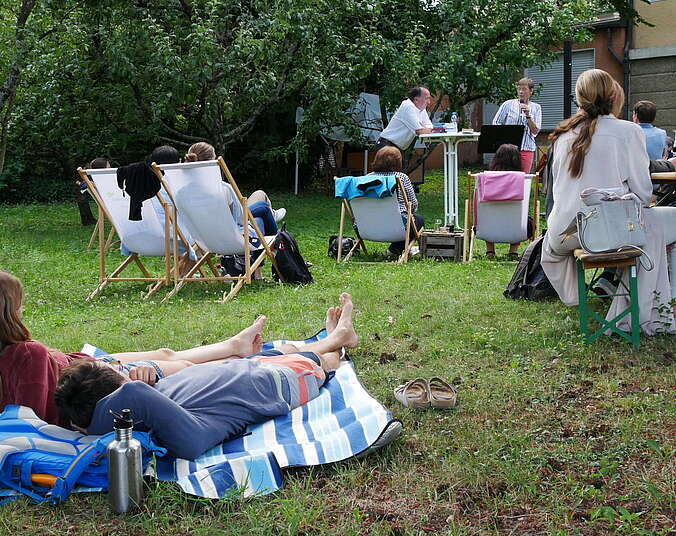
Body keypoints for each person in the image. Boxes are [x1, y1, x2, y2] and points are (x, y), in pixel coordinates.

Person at [55, 294, 359, 460]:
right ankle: (338, 341)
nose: (125, 372)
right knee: (321, 363)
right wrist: (97, 423)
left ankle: (332, 337)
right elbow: (190, 443)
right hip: (275, 384)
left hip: (246, 369)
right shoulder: (160, 415)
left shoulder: (146, 404)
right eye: (119, 375)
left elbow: (145, 384)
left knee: (289, 348)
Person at [0, 270, 278, 425]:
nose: (24, 309)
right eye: (19, 304)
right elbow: (30, 421)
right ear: (9, 311)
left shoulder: (16, 350)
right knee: (184, 368)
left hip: (83, 364)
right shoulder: (25, 353)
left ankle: (234, 345)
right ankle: (263, 362)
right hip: (90, 382)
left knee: (165, 354)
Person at [541, 68, 675, 335]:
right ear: (614, 95)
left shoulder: (562, 134)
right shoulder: (628, 131)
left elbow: (555, 193)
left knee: (650, 228)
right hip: (604, 232)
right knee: (659, 224)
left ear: (579, 99)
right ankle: (659, 305)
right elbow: (642, 192)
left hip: (563, 233)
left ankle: (632, 293)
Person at [184, 142, 285, 235]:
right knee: (262, 211)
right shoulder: (222, 189)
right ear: (211, 163)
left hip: (207, 238)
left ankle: (272, 217)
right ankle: (277, 236)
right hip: (234, 237)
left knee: (259, 196)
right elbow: (239, 219)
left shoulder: (181, 192)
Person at [368, 146, 424, 256]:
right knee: (417, 220)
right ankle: (395, 250)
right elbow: (413, 204)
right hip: (397, 227)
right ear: (398, 162)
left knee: (406, 220)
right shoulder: (401, 177)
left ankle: (395, 250)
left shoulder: (366, 178)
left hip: (369, 227)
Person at [481, 143, 524, 260]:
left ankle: (490, 250)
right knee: (522, 218)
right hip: (517, 227)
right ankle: (513, 251)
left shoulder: (484, 179)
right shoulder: (523, 180)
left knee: (485, 217)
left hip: (488, 227)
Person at [492, 78, 542, 173]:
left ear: (531, 91)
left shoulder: (536, 108)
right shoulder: (508, 104)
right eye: (519, 89)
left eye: (524, 89)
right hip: (508, 150)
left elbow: (535, 131)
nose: (521, 92)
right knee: (506, 177)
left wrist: (528, 116)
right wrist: (503, 138)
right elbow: (496, 123)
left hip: (526, 149)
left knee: (524, 179)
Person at [374, 86, 433, 153]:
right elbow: (420, 131)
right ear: (416, 100)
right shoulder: (408, 106)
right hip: (386, 147)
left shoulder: (421, 109)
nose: (429, 102)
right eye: (427, 99)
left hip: (396, 148)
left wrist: (424, 128)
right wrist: (424, 129)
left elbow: (430, 127)